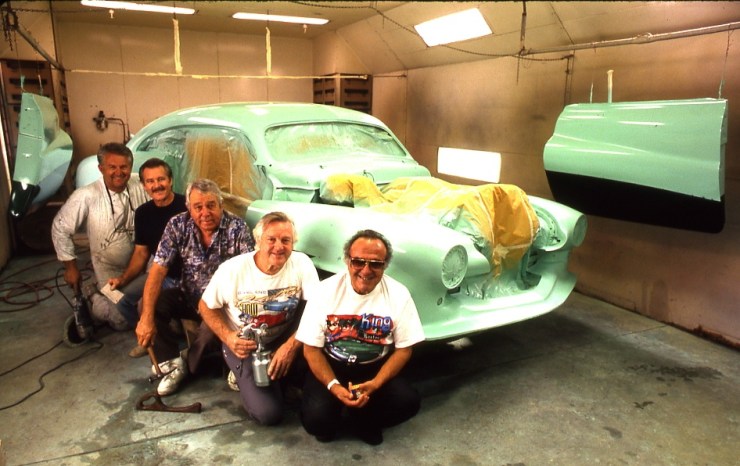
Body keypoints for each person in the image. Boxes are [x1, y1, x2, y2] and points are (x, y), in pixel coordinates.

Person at [295, 229, 425, 445]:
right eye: (358, 262)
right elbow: (311, 349)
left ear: (385, 265)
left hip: (374, 367)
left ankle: (363, 419)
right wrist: (334, 387)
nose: (366, 270)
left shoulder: (399, 294)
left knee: (408, 402)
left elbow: (404, 349)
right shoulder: (324, 291)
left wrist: (376, 384)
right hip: (333, 364)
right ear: (347, 261)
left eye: (375, 264)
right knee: (317, 421)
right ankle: (336, 412)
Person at [199, 211, 320, 425]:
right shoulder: (232, 270)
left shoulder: (301, 263)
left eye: (286, 240)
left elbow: (317, 308)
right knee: (268, 414)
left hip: (284, 335)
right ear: (258, 241)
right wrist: (228, 337)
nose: (279, 246)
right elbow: (205, 306)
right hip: (246, 345)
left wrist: (290, 346)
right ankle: (240, 372)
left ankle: (279, 377)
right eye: (271, 239)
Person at [136, 178, 254, 395]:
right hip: (188, 295)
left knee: (207, 342)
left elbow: (249, 276)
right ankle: (171, 363)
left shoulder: (237, 228)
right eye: (198, 207)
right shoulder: (177, 225)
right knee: (146, 305)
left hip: (221, 305)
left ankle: (188, 362)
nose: (205, 213)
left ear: (221, 205)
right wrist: (146, 319)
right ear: (189, 208)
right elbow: (158, 270)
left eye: (211, 205)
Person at [51, 142, 148, 330]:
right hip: (108, 270)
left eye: (124, 167)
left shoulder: (141, 184)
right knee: (121, 319)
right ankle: (93, 294)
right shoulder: (86, 195)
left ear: (131, 167)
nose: (118, 172)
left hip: (141, 265)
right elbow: (60, 228)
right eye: (112, 167)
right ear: (101, 168)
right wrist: (70, 268)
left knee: (150, 307)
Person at [106, 158, 187, 356]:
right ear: (144, 185)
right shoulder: (143, 213)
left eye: (161, 179)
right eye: (150, 181)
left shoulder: (187, 206)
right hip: (160, 275)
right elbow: (141, 253)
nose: (156, 185)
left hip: (186, 277)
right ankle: (149, 337)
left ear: (170, 180)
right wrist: (123, 279)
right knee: (120, 298)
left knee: (147, 305)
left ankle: (171, 345)